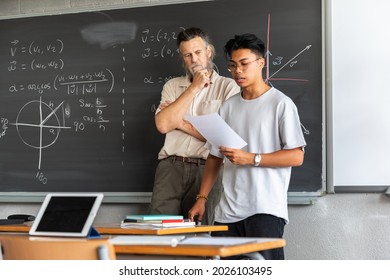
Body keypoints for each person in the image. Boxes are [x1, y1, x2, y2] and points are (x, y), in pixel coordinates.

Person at [188, 33, 306, 259]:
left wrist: (252, 158)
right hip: (227, 213)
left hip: (265, 211)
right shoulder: (228, 106)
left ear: (261, 63)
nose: (237, 71)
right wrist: (201, 199)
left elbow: (296, 156)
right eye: (232, 65)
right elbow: (215, 156)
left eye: (244, 64)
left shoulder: (280, 104)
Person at [149, 27, 240, 225]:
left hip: (207, 169)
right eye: (187, 55)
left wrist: (179, 122)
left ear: (208, 52)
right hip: (170, 168)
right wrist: (194, 88)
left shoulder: (229, 87)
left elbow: (222, 139)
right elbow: (163, 125)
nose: (194, 59)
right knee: (158, 231)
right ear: (182, 59)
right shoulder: (172, 86)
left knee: (200, 232)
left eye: (198, 52)